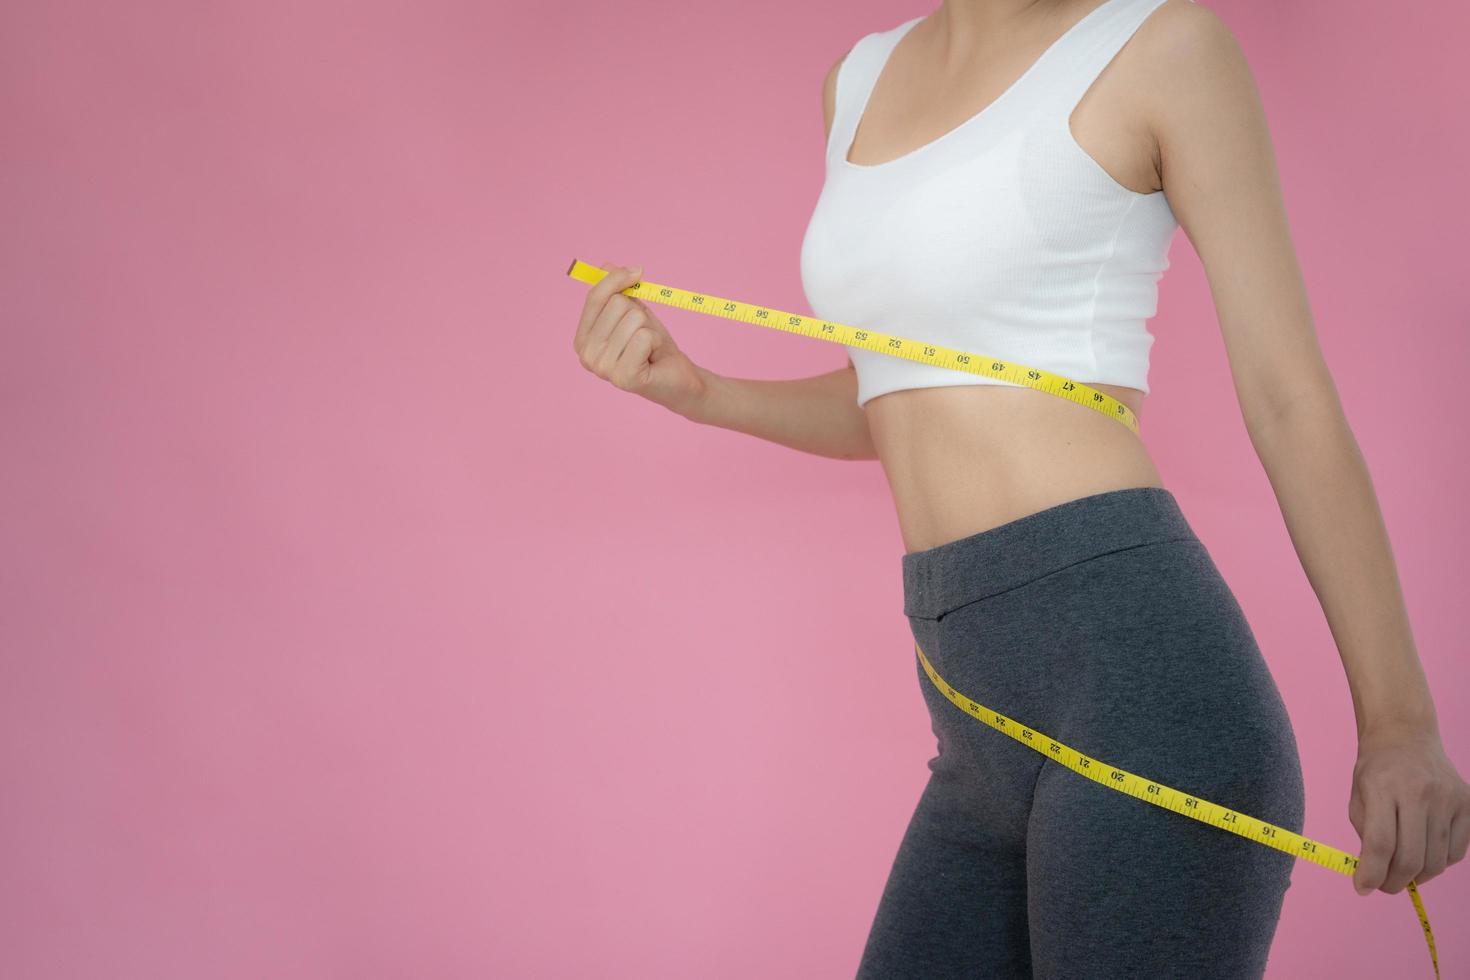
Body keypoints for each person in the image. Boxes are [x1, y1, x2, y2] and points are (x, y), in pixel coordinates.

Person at [570, 0, 1470, 975]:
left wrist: (1399, 723)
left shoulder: (1160, 46)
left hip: (1139, 686)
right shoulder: (858, 79)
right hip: (972, 718)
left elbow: (1289, 398)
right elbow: (896, 394)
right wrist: (704, 395)